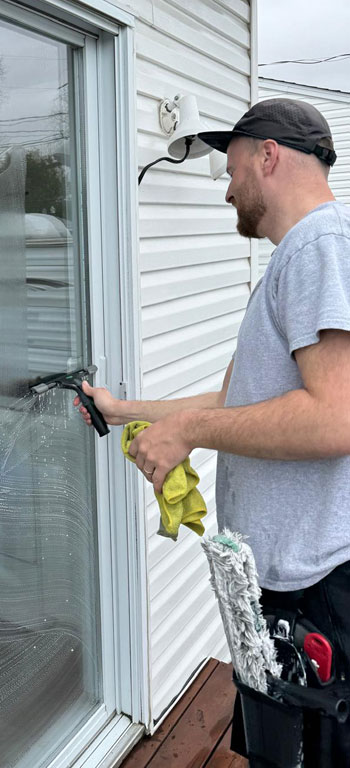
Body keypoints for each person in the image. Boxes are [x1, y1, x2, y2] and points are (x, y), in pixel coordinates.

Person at [74, 99, 350, 764]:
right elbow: (235, 398)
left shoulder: (319, 243)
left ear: (269, 155)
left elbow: (336, 416)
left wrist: (192, 430)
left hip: (315, 591)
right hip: (287, 585)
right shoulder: (295, 259)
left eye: (230, 170)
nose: (226, 188)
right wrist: (124, 411)